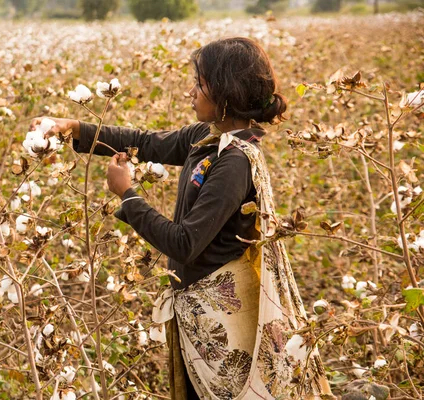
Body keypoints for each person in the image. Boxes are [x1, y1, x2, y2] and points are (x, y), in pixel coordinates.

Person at [34, 37, 334, 400]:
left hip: (222, 319)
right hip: (199, 312)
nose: (190, 92)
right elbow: (145, 143)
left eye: (200, 84)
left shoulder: (235, 162)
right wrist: (75, 128)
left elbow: (185, 244)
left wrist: (128, 196)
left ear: (226, 94)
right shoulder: (206, 137)